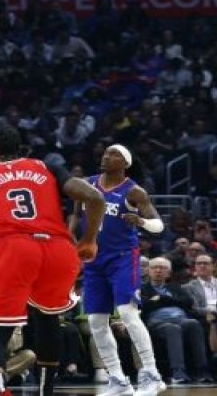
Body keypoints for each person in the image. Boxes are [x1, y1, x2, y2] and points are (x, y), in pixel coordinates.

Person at [0, 124, 106, 396]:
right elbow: (94, 196)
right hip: (58, 249)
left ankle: (0, 391)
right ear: (20, 148)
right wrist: (90, 239)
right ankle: (47, 389)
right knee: (48, 319)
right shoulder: (46, 168)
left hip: (13, 249)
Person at [75, 144, 168, 396]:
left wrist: (140, 221)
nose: (106, 156)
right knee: (95, 321)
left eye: (113, 154)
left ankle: (151, 374)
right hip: (94, 259)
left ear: (125, 163)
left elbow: (158, 225)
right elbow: (75, 218)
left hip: (123, 257)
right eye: (105, 152)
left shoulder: (134, 191)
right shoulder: (86, 185)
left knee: (128, 314)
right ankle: (117, 379)